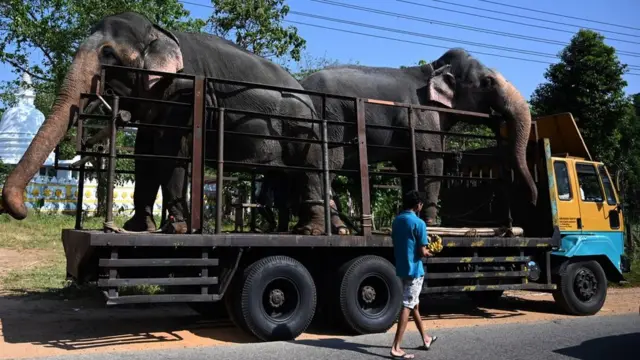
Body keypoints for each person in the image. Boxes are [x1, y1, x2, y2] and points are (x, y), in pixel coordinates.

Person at [390, 190, 438, 359]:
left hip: (402, 268)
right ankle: (396, 347)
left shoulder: (396, 221)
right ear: (418, 205)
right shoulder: (419, 223)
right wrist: (431, 251)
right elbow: (423, 251)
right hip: (414, 270)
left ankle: (425, 338)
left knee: (414, 303)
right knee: (408, 305)